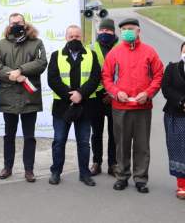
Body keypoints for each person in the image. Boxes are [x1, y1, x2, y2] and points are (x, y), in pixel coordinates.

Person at [102, 18, 163, 194]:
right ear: (121, 33)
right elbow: (106, 77)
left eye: (131, 28)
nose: (128, 31)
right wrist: (115, 92)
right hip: (120, 106)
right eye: (125, 29)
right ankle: (121, 176)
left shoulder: (149, 52)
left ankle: (141, 179)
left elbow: (159, 75)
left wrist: (149, 93)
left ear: (138, 31)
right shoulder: (114, 53)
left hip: (143, 107)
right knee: (121, 144)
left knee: (142, 145)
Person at [0, 13, 47, 183]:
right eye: (13, 23)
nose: (16, 25)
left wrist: (21, 70)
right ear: (9, 25)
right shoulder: (0, 44)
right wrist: (13, 76)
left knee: (29, 136)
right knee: (9, 135)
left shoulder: (36, 42)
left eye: (19, 22)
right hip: (9, 95)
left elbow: (41, 62)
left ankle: (28, 170)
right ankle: (7, 167)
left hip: (29, 96)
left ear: (25, 23)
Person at [47, 25, 101, 187]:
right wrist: (70, 94)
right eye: (71, 36)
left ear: (82, 37)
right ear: (66, 38)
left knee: (84, 142)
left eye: (77, 36)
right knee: (59, 141)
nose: (74, 39)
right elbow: (53, 79)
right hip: (62, 106)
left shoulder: (91, 55)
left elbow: (95, 77)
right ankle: (56, 172)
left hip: (85, 106)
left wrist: (80, 94)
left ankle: (84, 174)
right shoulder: (56, 56)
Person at [89, 18, 119, 177]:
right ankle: (96, 162)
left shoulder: (121, 48)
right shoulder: (91, 48)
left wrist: (112, 91)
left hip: (115, 95)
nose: (105, 33)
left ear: (113, 32)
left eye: (108, 30)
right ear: (98, 31)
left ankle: (113, 164)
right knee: (97, 132)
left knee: (114, 132)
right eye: (103, 30)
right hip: (96, 95)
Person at [161, 42, 185, 199]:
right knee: (178, 150)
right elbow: (166, 88)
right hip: (175, 115)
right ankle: (182, 185)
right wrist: (182, 101)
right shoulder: (171, 68)